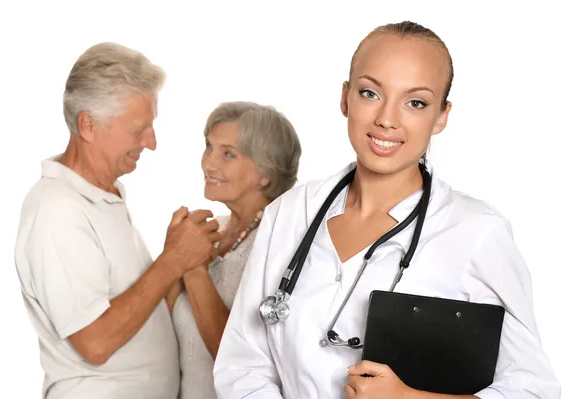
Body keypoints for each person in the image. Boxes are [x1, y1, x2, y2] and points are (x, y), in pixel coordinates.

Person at [213, 21, 560, 399]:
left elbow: (531, 390)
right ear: (345, 97)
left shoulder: (475, 232)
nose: (387, 120)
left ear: (441, 116)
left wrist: (409, 398)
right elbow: (243, 366)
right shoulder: (290, 213)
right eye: (370, 93)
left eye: (416, 102)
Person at [14, 42, 221, 399]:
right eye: (139, 129)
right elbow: (95, 342)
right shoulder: (57, 210)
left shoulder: (103, 196)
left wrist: (181, 259)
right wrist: (172, 260)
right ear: (88, 125)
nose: (151, 143)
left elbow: (136, 302)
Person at [166, 101, 302, 399]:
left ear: (265, 172)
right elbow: (157, 336)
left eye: (228, 154)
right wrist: (172, 257)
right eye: (208, 147)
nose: (208, 163)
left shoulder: (280, 245)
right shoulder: (209, 231)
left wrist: (192, 268)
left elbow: (237, 361)